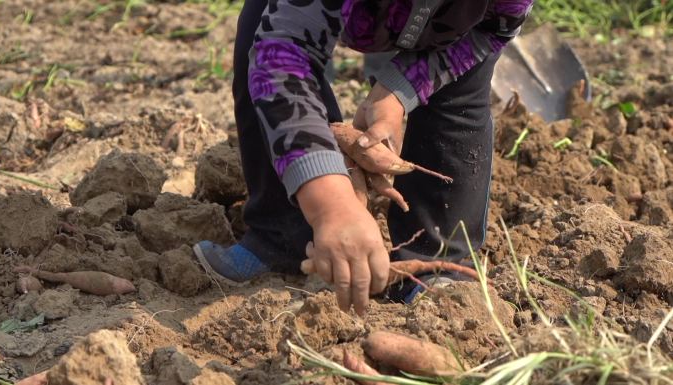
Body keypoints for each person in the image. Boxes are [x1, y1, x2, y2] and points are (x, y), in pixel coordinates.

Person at [194, 0, 534, 315]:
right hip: (309, 15)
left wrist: (398, 92)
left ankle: (435, 264)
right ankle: (281, 233)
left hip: (459, 24)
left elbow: (492, 28)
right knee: (260, 38)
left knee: (458, 97)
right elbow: (283, 57)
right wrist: (332, 204)